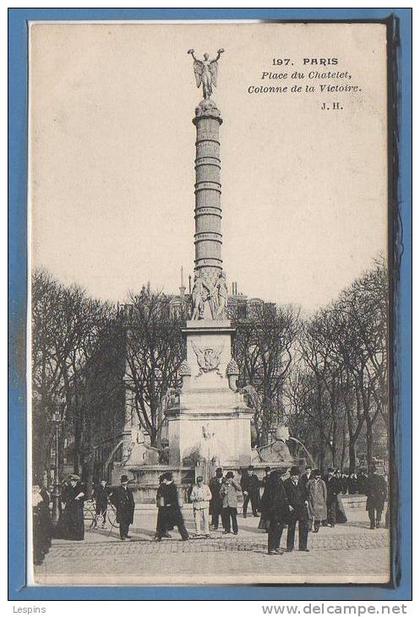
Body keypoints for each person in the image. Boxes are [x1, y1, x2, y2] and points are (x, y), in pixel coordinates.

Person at [156, 472, 189, 541]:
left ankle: (159, 536)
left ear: (166, 479)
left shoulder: (168, 486)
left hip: (170, 508)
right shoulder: (170, 486)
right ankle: (185, 536)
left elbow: (170, 497)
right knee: (178, 523)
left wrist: (166, 502)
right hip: (172, 508)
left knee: (164, 522)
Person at [264, 469, 290, 555]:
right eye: (281, 476)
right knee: (273, 530)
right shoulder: (272, 485)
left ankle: (276, 546)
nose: (283, 477)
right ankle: (271, 548)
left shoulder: (279, 484)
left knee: (279, 530)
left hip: (280, 512)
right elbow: (270, 500)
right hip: (275, 512)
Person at [284, 466, 310, 552]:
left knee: (303, 528)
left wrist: (306, 500)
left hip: (302, 508)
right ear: (290, 475)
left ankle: (303, 546)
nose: (295, 477)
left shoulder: (302, 482)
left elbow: (306, 493)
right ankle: (289, 547)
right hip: (292, 509)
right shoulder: (286, 483)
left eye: (296, 475)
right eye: (293, 475)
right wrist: (288, 505)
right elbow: (284, 496)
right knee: (291, 528)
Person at [59, 474, 86, 540]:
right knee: (69, 521)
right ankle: (71, 535)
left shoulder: (80, 487)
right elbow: (64, 495)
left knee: (78, 521)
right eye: (71, 481)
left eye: (73, 481)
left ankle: (78, 536)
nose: (72, 483)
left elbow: (84, 496)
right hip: (70, 507)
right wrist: (64, 500)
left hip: (77, 507)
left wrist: (79, 497)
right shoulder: (68, 488)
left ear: (76, 482)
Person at [110, 475, 135, 541]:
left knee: (128, 521)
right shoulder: (118, 490)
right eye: (123, 482)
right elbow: (112, 498)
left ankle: (126, 533)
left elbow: (131, 499)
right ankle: (122, 535)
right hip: (122, 508)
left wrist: (132, 505)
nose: (124, 483)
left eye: (125, 482)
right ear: (121, 482)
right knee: (122, 522)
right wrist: (117, 505)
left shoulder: (129, 490)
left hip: (129, 508)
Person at [32, 484, 52, 565]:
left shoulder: (40, 496)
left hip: (40, 519)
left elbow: (44, 506)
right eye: (33, 488)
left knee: (39, 537)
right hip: (34, 519)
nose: (35, 489)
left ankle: (39, 557)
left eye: (36, 488)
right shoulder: (31, 495)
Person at [365, 465, 387, 529]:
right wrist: (384, 496)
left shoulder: (368, 478)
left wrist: (368, 494)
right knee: (379, 510)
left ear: (371, 471)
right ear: (376, 471)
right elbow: (385, 488)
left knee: (371, 510)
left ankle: (372, 524)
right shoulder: (381, 478)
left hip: (371, 497)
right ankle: (378, 522)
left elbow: (365, 489)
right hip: (379, 497)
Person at [154, 474, 172, 541]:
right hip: (163, 506)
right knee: (163, 519)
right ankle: (161, 532)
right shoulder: (163, 486)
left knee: (163, 519)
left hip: (163, 506)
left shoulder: (162, 486)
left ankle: (163, 532)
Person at [258, 467, 271, 531]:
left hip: (270, 495)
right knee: (265, 512)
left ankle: (269, 527)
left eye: (268, 471)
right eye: (266, 472)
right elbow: (262, 486)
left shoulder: (272, 478)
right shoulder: (264, 478)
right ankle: (265, 527)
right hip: (265, 496)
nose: (267, 473)